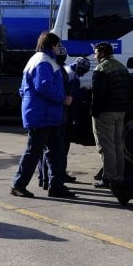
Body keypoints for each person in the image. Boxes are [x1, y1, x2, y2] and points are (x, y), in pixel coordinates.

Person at [11, 32, 75, 199]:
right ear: (51, 45)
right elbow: (43, 86)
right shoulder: (44, 61)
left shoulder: (41, 60)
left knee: (56, 153)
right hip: (43, 115)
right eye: (57, 45)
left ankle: (56, 186)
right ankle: (18, 185)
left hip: (46, 114)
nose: (59, 48)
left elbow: (22, 89)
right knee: (35, 152)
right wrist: (63, 99)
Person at [38, 56, 90, 189]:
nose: (83, 74)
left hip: (56, 115)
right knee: (59, 148)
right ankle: (55, 176)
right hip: (63, 117)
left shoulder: (66, 71)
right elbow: (71, 97)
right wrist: (85, 93)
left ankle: (44, 177)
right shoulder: (72, 77)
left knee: (46, 148)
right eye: (84, 71)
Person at [91, 42, 129, 188]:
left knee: (106, 147)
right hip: (121, 111)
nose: (95, 56)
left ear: (101, 53)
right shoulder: (122, 67)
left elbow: (98, 95)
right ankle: (119, 175)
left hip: (106, 113)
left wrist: (95, 113)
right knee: (118, 144)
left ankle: (109, 178)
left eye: (95, 53)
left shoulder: (100, 69)